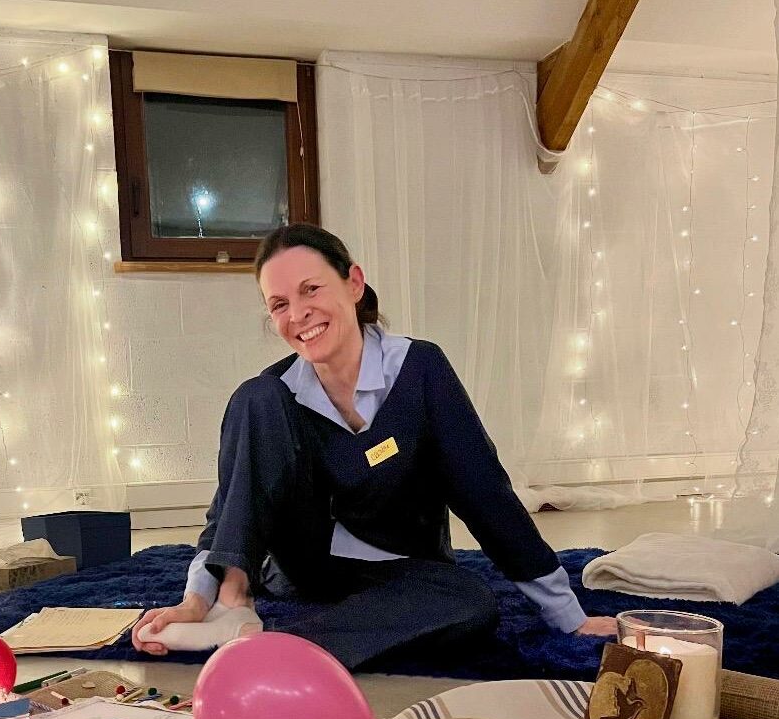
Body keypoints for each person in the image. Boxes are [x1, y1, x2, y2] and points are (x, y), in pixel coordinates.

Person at [132, 224, 617, 670]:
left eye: (311, 289)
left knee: (472, 601)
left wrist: (567, 616)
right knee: (254, 395)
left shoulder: (420, 370)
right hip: (302, 570)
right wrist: (197, 599)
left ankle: (280, 649)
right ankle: (232, 607)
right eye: (279, 304)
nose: (297, 314)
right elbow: (233, 505)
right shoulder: (272, 396)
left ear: (354, 284)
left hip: (403, 571)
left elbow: (485, 494)